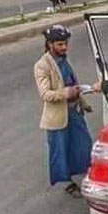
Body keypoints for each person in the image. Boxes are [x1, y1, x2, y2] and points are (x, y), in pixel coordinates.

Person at [33, 24, 93, 197]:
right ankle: (67, 183)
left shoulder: (64, 60)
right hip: (58, 117)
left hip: (74, 112)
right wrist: (66, 93)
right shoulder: (42, 65)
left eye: (65, 43)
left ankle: (88, 176)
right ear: (50, 44)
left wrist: (83, 100)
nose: (64, 47)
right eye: (60, 44)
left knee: (83, 145)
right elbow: (45, 94)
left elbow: (71, 82)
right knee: (60, 150)